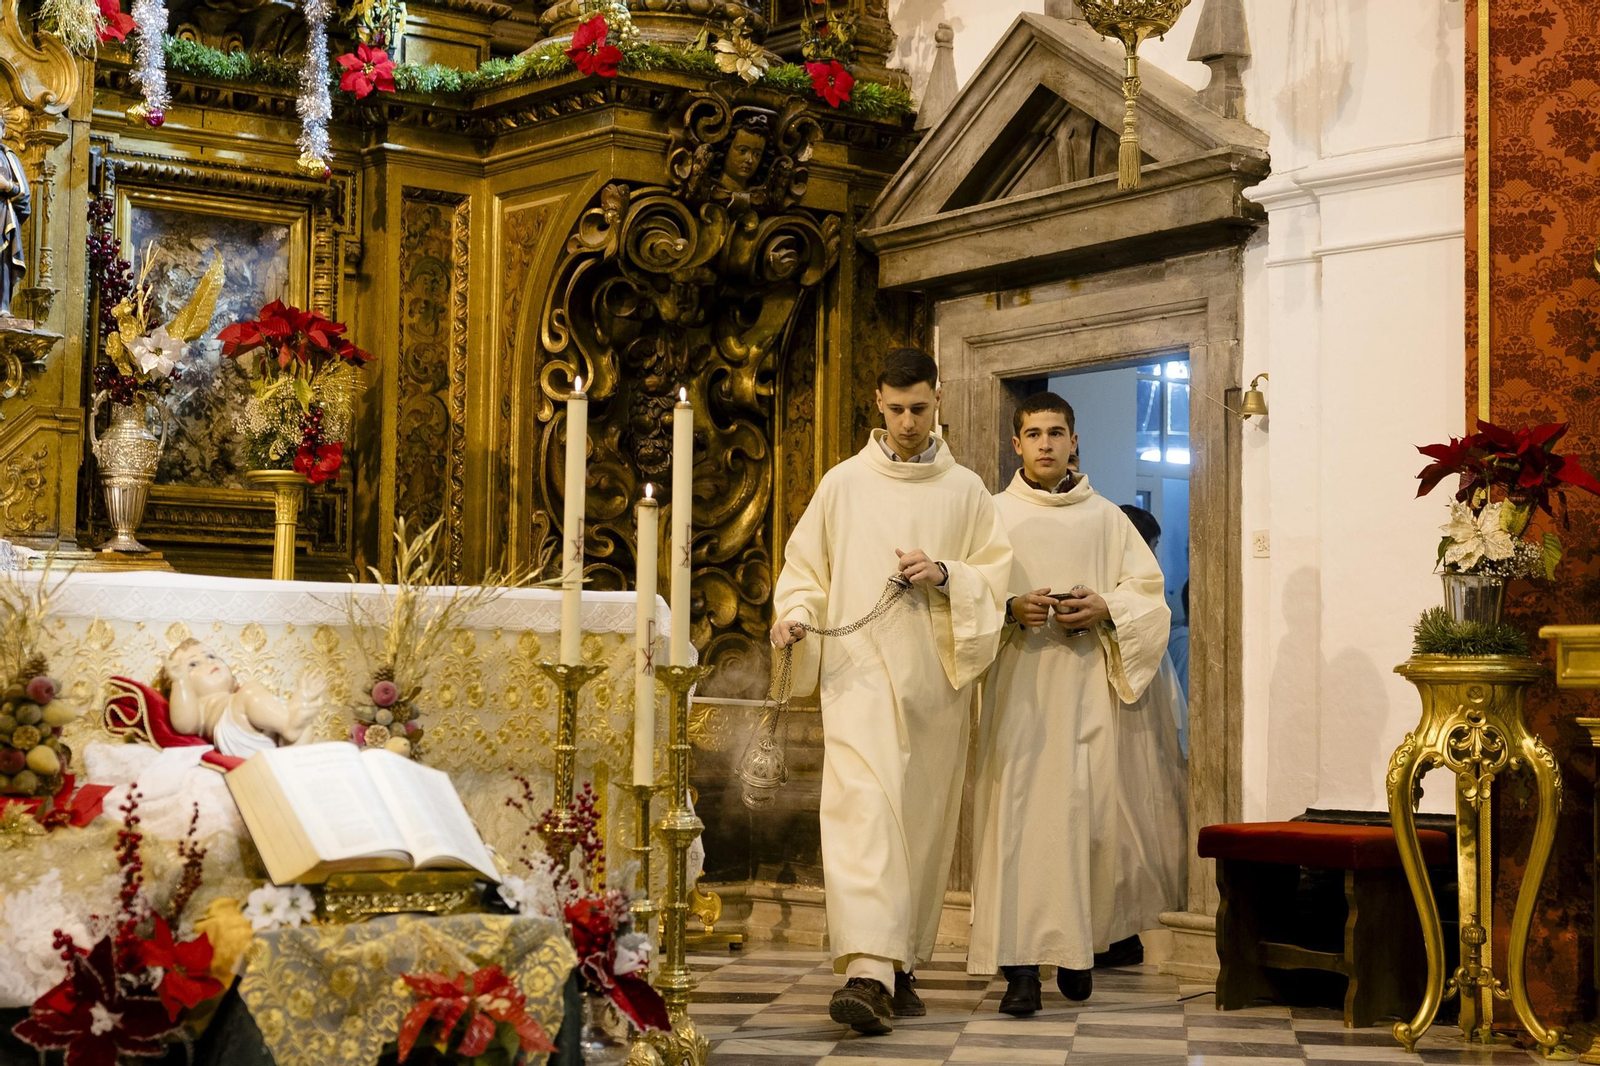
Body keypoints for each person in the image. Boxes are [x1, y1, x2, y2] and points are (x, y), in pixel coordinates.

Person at [771, 348, 1012, 1035]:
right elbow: (803, 569)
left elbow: (993, 578)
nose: (908, 423)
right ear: (877, 402)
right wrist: (792, 617)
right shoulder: (843, 484)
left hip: (934, 686)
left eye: (920, 409)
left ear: (938, 400)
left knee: (922, 825)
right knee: (863, 814)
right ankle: (867, 972)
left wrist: (946, 572)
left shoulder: (965, 490)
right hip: (855, 675)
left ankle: (900, 960)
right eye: (896, 409)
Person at [968, 392, 1169, 1013]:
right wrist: (1006, 609)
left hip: (1082, 692)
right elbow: (965, 595)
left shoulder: (1106, 518)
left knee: (1081, 819)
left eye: (1058, 432)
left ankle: (1079, 952)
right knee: (1018, 825)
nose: (1047, 443)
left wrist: (1106, 607)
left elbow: (1150, 597)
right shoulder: (991, 516)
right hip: (1017, 694)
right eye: (1034, 433)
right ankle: (1021, 970)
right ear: (1016, 444)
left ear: (1075, 441)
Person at [1103, 505, 1189, 970]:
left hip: (1142, 695)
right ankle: (1113, 926)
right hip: (1115, 695)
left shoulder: (1142, 589)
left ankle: (1130, 924)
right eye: (1150, 548)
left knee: (1142, 802)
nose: (1154, 559)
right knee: (1120, 808)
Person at [161, 639, 325, 758]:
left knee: (301, 723)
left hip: (268, 735)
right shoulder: (201, 707)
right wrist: (179, 681)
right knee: (249, 693)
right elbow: (184, 725)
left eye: (211, 656)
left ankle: (293, 725)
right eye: (193, 664)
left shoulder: (235, 696)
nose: (208, 662)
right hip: (234, 734)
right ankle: (289, 724)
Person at [0, 112, 30, 319]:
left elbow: (24, 194)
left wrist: (7, 185)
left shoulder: (8, 156)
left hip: (1, 217)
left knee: (1, 261)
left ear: (3, 131)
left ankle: (2, 306)